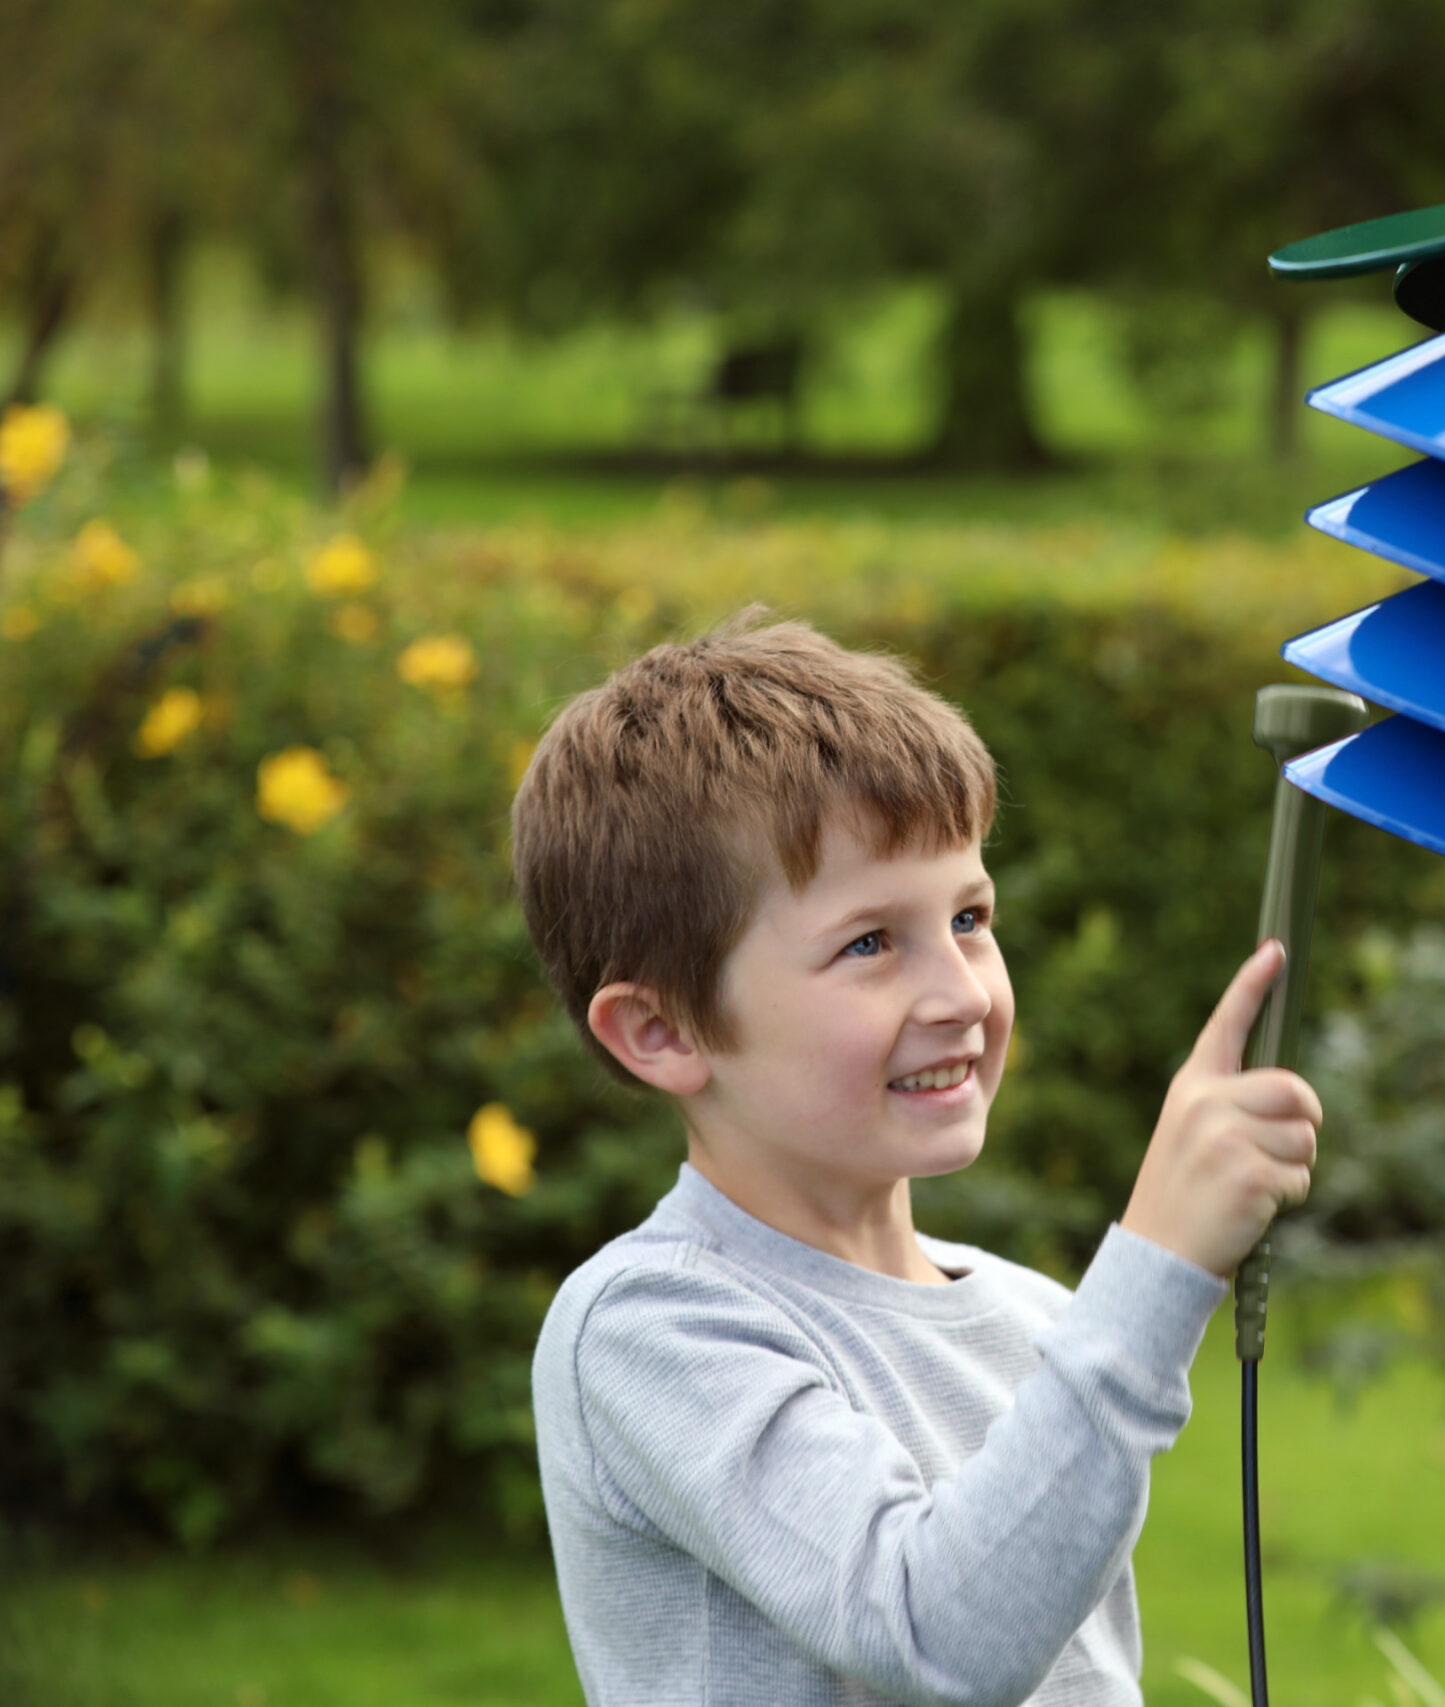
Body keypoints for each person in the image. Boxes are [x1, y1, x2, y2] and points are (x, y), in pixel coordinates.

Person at [511, 610, 1320, 1707]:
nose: (962, 993)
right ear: (662, 1031)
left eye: (970, 919)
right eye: (869, 943)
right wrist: (1158, 1264)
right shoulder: (648, 1327)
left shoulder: (1038, 1322)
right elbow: (940, 1638)